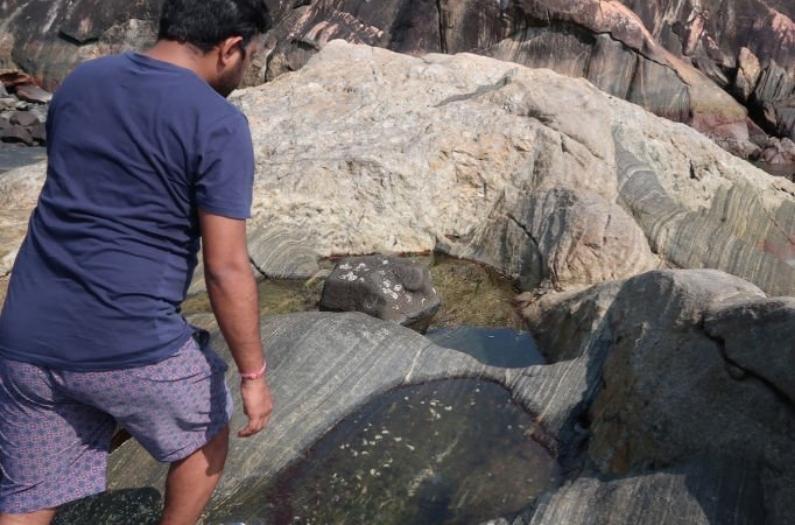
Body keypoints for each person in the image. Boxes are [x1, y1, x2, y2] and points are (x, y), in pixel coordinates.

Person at [0, 1, 274, 523]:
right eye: (249, 57)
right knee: (206, 430)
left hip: (26, 339)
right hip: (129, 343)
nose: (244, 71)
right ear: (230, 47)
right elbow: (225, 268)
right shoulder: (218, 122)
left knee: (30, 497)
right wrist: (253, 374)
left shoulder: (82, 82)